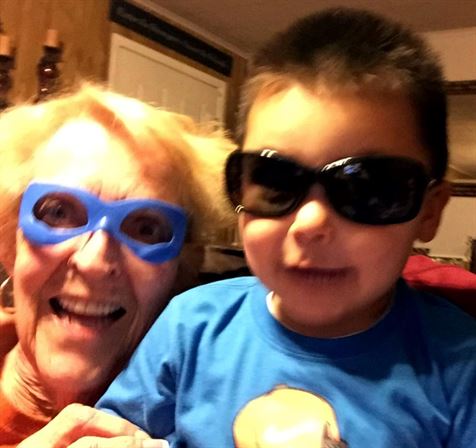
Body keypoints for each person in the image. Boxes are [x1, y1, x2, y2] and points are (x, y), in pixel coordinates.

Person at [21, 8, 476, 447]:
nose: (310, 224)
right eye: (275, 181)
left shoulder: (461, 364)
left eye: (367, 188)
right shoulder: (189, 327)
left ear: (430, 210)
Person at [0, 83, 233, 446]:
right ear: (9, 245)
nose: (94, 262)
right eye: (58, 213)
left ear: (179, 271)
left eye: (145, 228)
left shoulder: (208, 419)